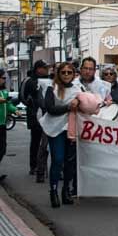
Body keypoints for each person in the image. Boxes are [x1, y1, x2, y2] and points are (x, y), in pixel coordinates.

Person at [39, 62, 81, 208]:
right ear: (58, 73)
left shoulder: (78, 88)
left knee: (70, 161)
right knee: (57, 159)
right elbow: (50, 108)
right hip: (55, 128)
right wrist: (68, 107)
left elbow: (88, 104)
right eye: (63, 72)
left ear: (74, 73)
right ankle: (54, 191)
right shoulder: (53, 88)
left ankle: (66, 191)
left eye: (69, 72)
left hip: (71, 128)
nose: (66, 75)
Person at [22, 60, 49, 182]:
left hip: (46, 115)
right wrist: (31, 105)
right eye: (44, 68)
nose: (47, 70)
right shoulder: (29, 80)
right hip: (34, 116)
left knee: (45, 143)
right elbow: (22, 96)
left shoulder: (48, 80)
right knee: (36, 141)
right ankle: (34, 166)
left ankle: (41, 166)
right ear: (38, 68)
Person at [0, 69, 17, 181]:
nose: (4, 80)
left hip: (2, 124)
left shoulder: (4, 91)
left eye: (5, 78)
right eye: (3, 77)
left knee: (2, 149)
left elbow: (9, 104)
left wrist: (15, 110)